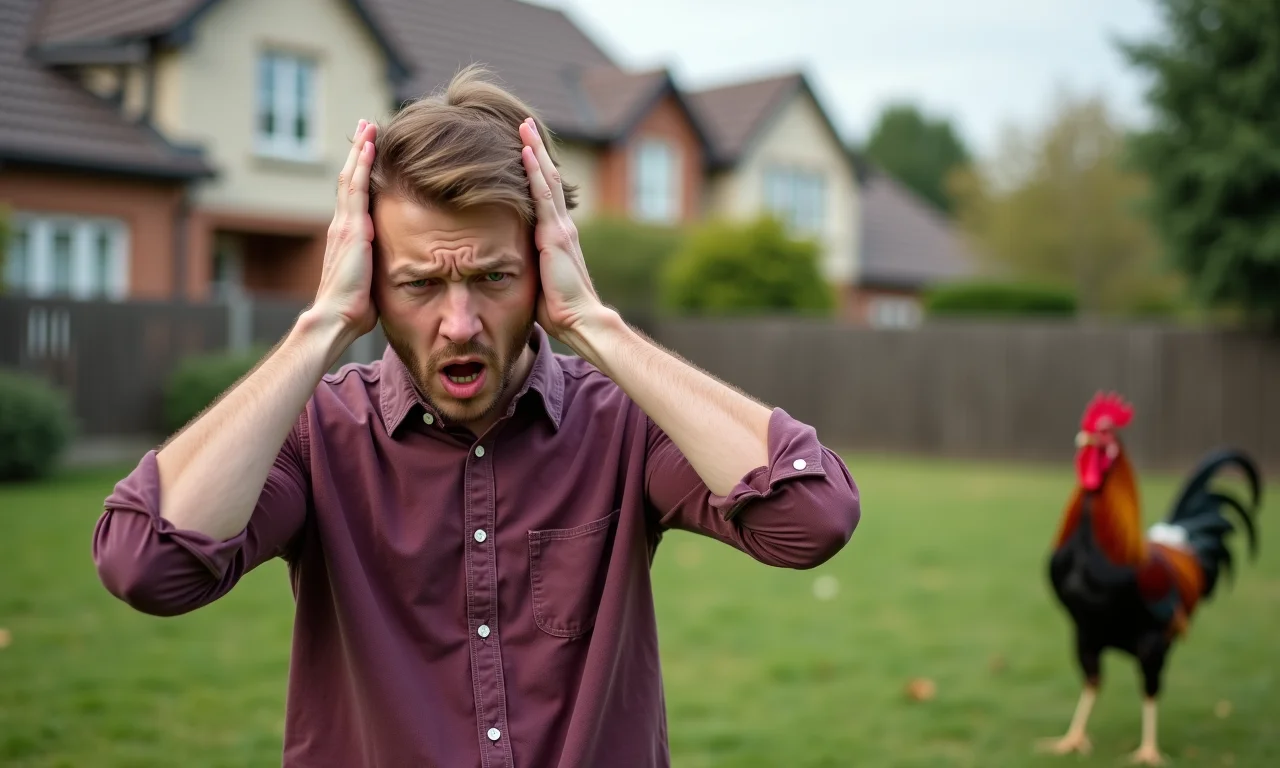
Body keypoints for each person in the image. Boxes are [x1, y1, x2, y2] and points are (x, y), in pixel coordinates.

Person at [92, 65, 861, 768]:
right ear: (374, 288)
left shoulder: (627, 426)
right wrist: (321, 322)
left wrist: (596, 323)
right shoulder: (314, 435)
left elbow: (811, 516)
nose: (459, 322)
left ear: (542, 270)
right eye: (420, 283)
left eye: (494, 276)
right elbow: (145, 566)